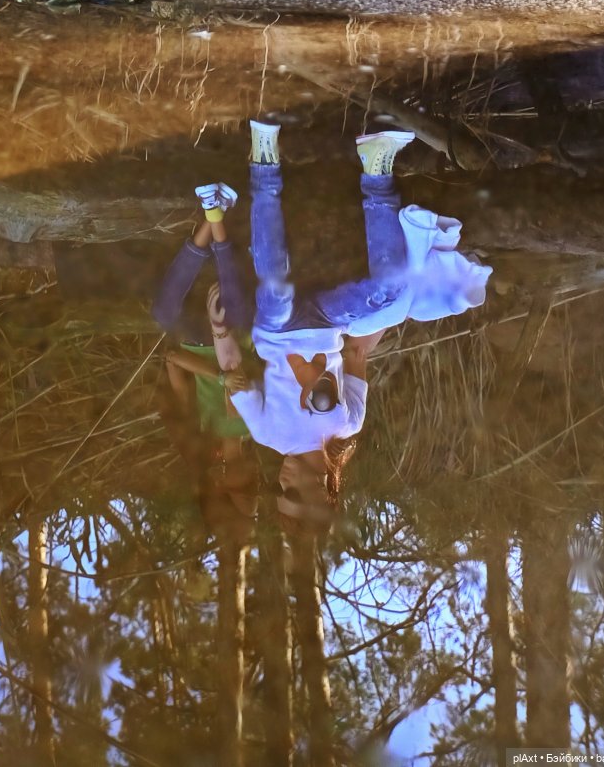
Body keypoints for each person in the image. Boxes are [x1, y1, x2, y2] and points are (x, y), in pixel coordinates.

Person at [227, 119, 492, 523]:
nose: (281, 480)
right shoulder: (347, 425)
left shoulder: (268, 435)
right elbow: (357, 350)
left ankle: (264, 162)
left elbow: (235, 384)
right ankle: (376, 168)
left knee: (276, 288)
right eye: (289, 490)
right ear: (317, 490)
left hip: (277, 331)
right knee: (388, 290)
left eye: (279, 489)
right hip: (328, 323)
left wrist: (237, 382)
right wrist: (392, 312)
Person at [153, 183, 259, 543]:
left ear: (220, 485)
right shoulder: (259, 429)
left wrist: (217, 377)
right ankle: (216, 214)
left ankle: (211, 217)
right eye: (254, 490)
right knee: (234, 311)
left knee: (164, 312)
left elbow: (171, 359)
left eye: (244, 490)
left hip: (194, 340)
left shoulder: (198, 434)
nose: (253, 485)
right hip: (237, 329)